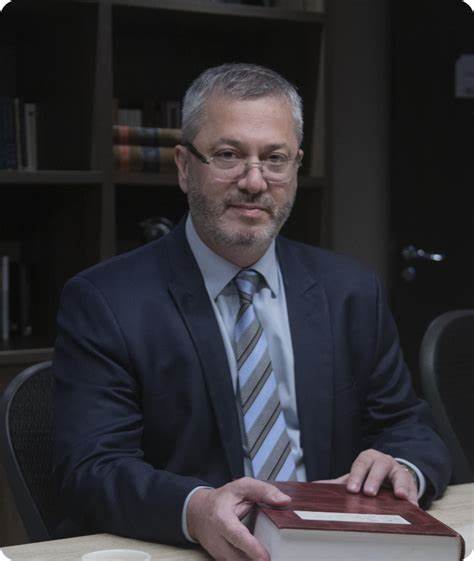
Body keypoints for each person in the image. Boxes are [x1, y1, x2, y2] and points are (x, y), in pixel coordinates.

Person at [53, 63, 451, 561]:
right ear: (184, 166)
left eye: (275, 159)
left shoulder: (350, 291)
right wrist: (195, 509)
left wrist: (402, 466)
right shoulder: (106, 301)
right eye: (228, 155)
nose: (255, 182)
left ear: (296, 167)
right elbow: (90, 469)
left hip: (332, 547)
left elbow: (410, 427)